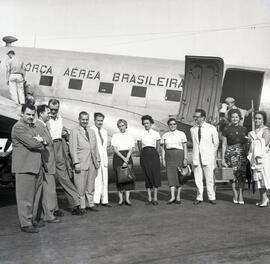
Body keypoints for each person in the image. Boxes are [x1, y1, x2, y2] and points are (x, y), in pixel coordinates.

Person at [11, 104, 45, 233]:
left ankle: (33, 220)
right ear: (22, 114)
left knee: (35, 196)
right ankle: (26, 224)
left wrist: (40, 141)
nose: (31, 117)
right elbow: (32, 143)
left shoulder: (32, 127)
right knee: (25, 197)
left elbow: (45, 141)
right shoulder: (19, 127)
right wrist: (39, 142)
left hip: (35, 166)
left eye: (32, 115)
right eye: (28, 114)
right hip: (24, 167)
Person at [47, 99, 81, 215]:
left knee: (64, 177)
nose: (53, 111)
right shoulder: (45, 119)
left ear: (58, 109)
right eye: (51, 109)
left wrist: (65, 133)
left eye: (55, 110)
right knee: (49, 180)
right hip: (49, 148)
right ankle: (54, 209)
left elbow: (62, 130)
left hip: (59, 147)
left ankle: (75, 203)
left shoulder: (60, 118)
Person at [69, 111, 101, 213]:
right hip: (81, 162)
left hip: (92, 162)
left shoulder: (91, 131)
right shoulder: (74, 131)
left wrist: (98, 159)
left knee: (90, 185)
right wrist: (76, 162)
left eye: (87, 119)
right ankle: (82, 206)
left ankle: (90, 203)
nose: (85, 121)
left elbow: (95, 147)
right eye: (83, 119)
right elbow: (72, 148)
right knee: (80, 186)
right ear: (79, 119)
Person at [35, 105, 61, 223]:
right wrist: (44, 141)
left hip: (49, 162)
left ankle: (48, 213)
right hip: (46, 163)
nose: (49, 114)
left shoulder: (43, 125)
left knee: (49, 189)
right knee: (49, 190)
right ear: (41, 114)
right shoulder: (39, 126)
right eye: (47, 112)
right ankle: (49, 215)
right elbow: (41, 141)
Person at [190, 109, 219, 205]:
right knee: (198, 178)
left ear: (203, 117)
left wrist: (211, 154)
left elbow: (216, 143)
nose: (195, 118)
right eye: (195, 117)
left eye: (197, 117)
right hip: (196, 157)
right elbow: (195, 144)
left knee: (209, 178)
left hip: (208, 157)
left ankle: (211, 197)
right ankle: (199, 197)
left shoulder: (211, 128)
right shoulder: (192, 129)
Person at [222, 109, 248, 204]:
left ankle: (241, 193)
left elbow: (246, 144)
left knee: (241, 175)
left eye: (236, 117)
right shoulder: (226, 129)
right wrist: (223, 159)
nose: (235, 119)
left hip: (242, 154)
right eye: (233, 117)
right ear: (230, 118)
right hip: (230, 153)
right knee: (232, 175)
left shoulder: (244, 129)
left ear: (239, 118)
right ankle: (234, 192)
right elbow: (224, 144)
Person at [162, 118, 188, 204]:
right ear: (168, 125)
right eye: (170, 124)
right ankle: (172, 196)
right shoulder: (165, 135)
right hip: (169, 156)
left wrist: (185, 158)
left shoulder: (181, 134)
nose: (172, 126)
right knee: (171, 176)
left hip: (179, 155)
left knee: (179, 176)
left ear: (176, 125)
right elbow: (163, 148)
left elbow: (185, 147)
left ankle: (178, 197)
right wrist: (163, 159)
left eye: (174, 124)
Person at [137, 115, 161, 205]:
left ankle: (155, 198)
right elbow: (139, 144)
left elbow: (158, 145)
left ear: (151, 123)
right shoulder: (141, 133)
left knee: (155, 175)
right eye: (144, 123)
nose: (146, 125)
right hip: (144, 154)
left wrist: (156, 153)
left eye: (147, 123)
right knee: (147, 175)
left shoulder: (156, 133)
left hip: (154, 154)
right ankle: (149, 198)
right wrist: (142, 153)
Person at [248, 111, 270, 207]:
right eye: (256, 118)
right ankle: (262, 199)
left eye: (259, 118)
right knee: (258, 178)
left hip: (263, 159)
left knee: (263, 178)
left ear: (263, 120)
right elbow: (253, 145)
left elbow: (264, 143)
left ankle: (265, 199)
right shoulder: (255, 131)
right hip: (256, 159)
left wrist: (254, 138)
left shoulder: (266, 130)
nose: (257, 120)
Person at [111, 119, 135, 206]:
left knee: (128, 178)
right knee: (119, 178)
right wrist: (123, 158)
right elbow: (115, 149)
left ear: (126, 126)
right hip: (118, 157)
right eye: (119, 126)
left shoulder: (130, 136)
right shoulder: (115, 136)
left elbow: (131, 148)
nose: (121, 127)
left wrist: (127, 159)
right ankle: (121, 199)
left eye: (123, 125)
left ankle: (127, 199)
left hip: (127, 156)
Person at [91, 112, 112, 207]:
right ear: (94, 120)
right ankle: (95, 200)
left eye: (101, 121)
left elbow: (104, 146)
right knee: (97, 179)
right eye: (98, 120)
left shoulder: (104, 131)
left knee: (105, 180)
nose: (100, 122)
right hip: (95, 158)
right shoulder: (91, 130)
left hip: (104, 159)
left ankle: (104, 200)